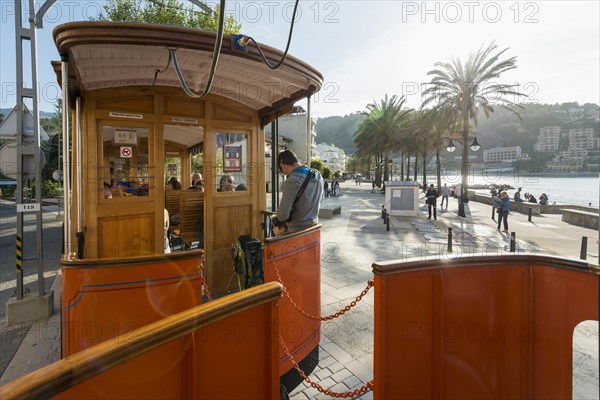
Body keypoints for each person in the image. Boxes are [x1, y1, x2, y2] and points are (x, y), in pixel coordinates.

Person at [272, 149, 324, 235]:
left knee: (275, 235)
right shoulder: (317, 175)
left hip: (296, 232)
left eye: (282, 171)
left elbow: (282, 216)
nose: (284, 174)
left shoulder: (292, 181)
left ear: (283, 166)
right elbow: (321, 200)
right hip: (314, 228)